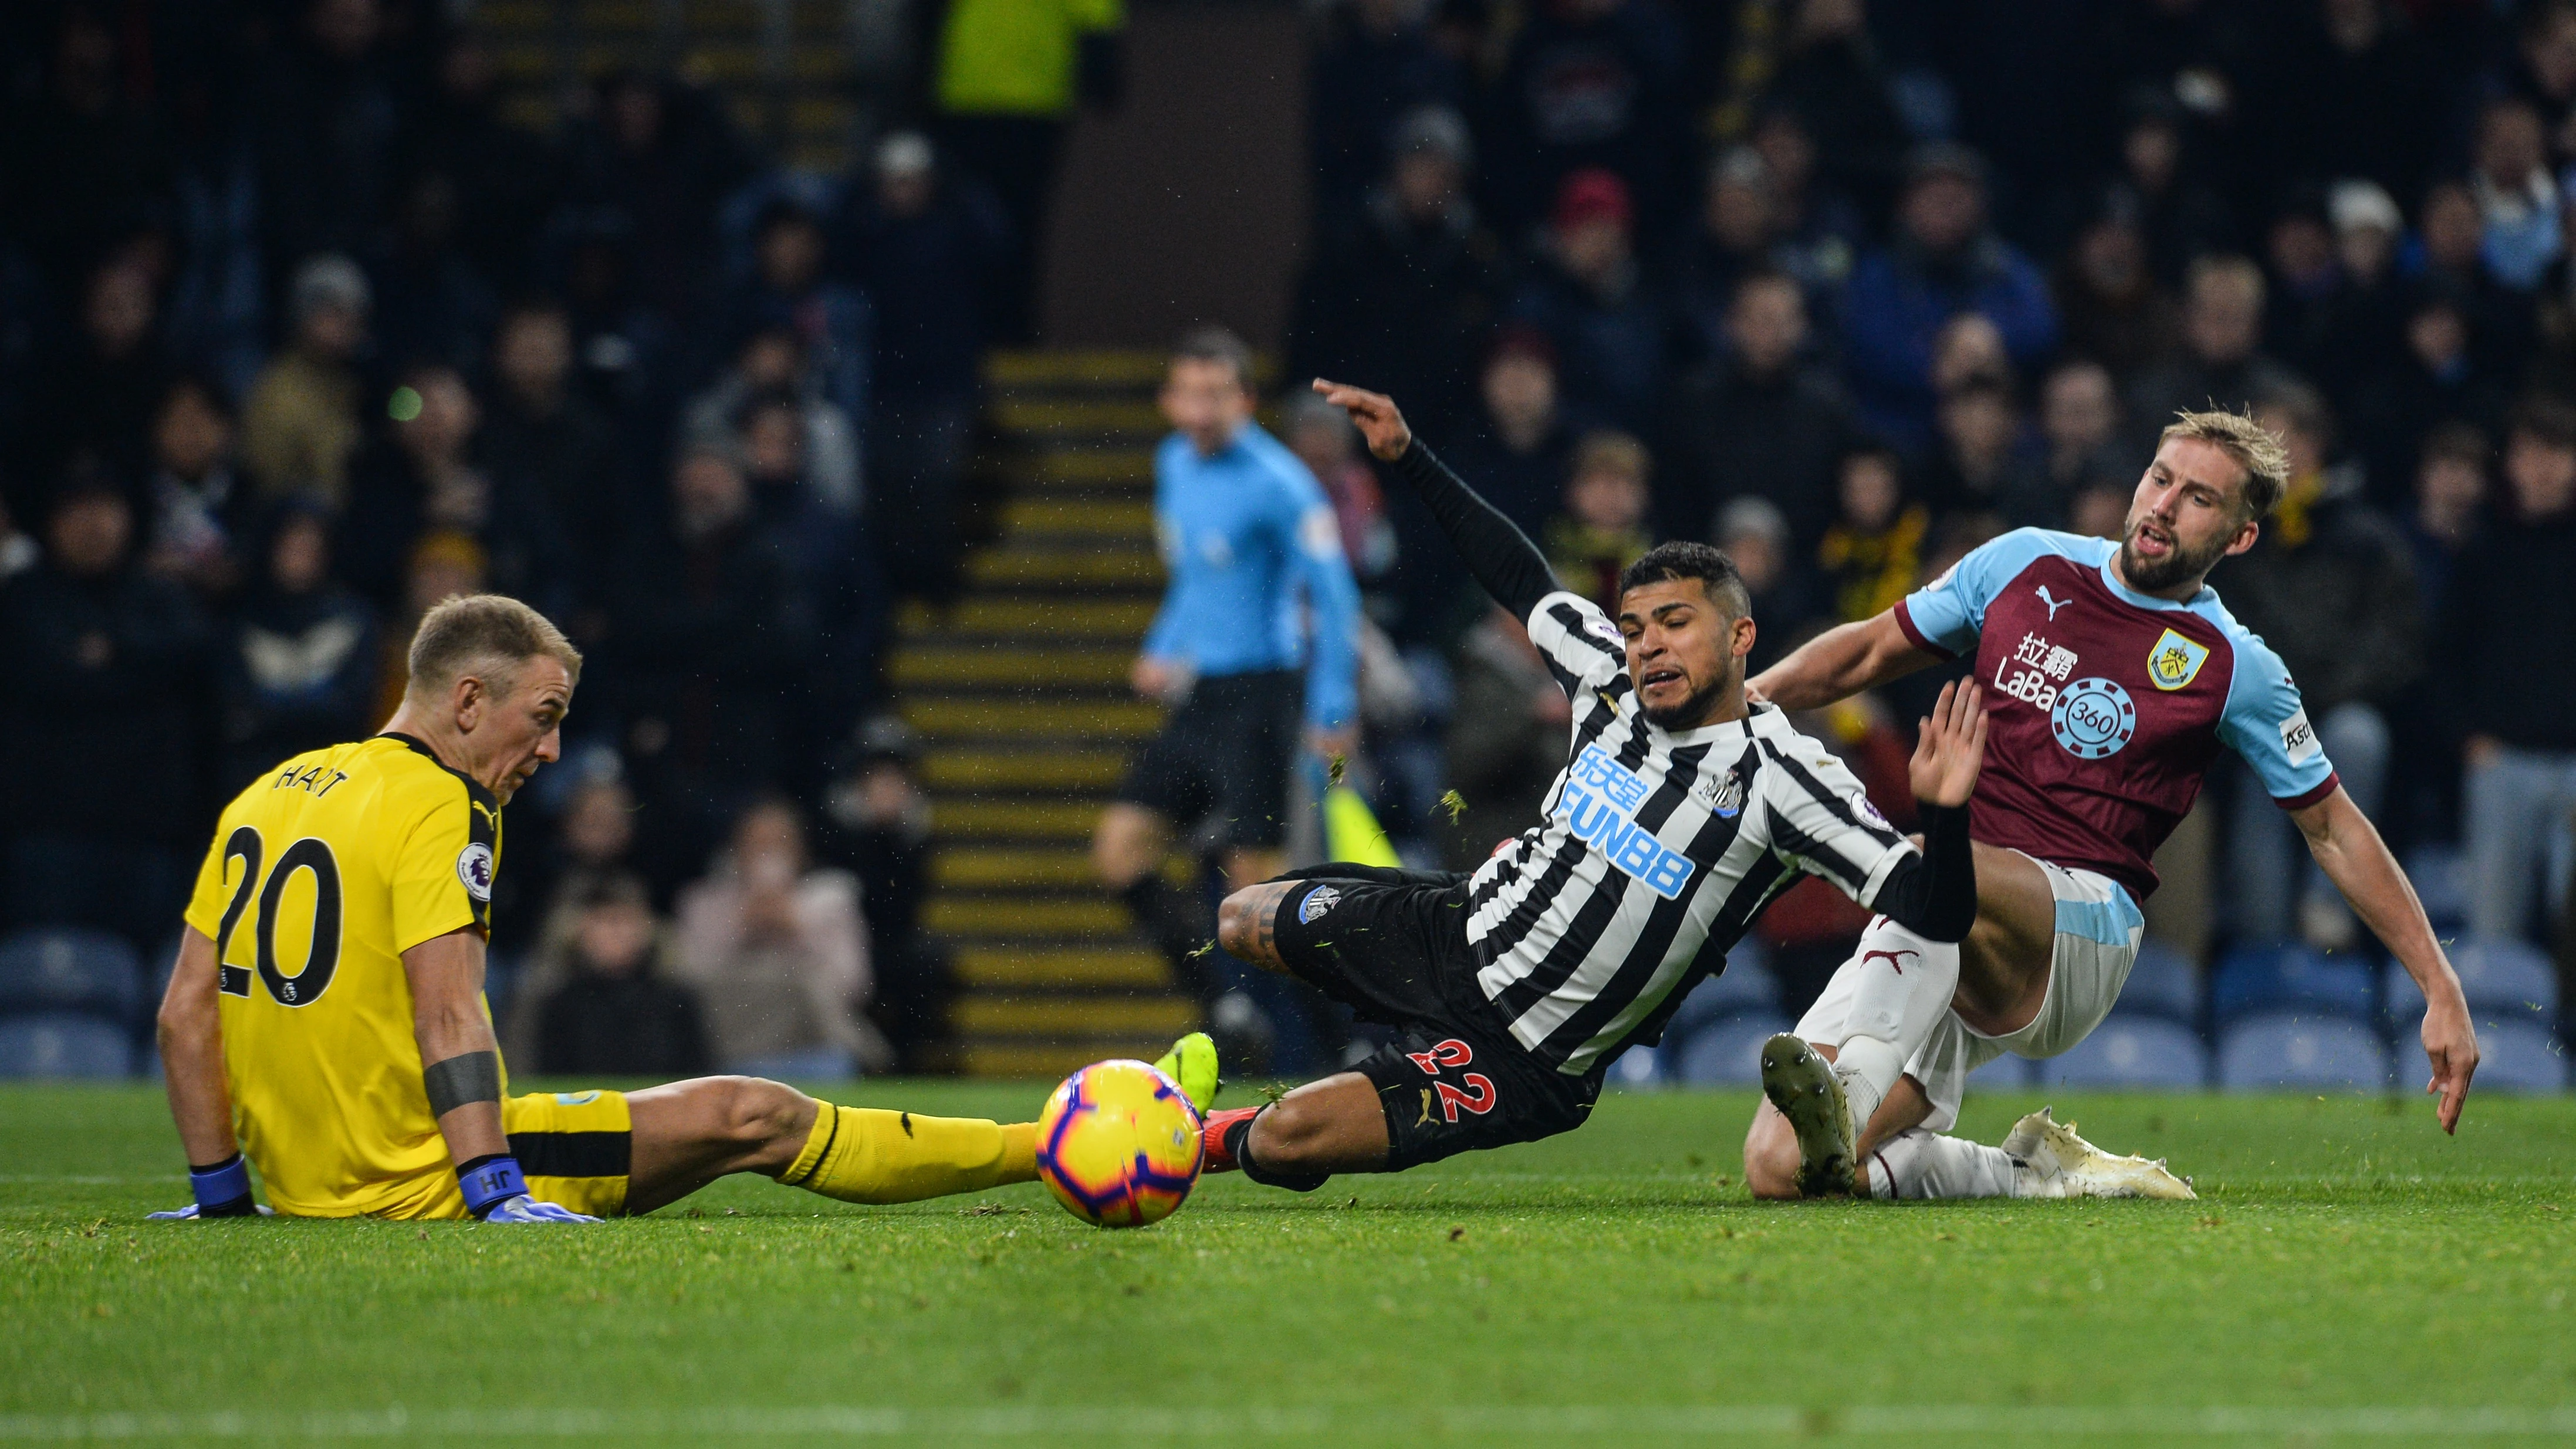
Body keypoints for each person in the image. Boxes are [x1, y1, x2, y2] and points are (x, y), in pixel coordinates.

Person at [150, 591, 1218, 1222]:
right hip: (416, 1179)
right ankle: (1056, 1142)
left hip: (297, 1186)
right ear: (468, 701)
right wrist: (490, 1190)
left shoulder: (273, 791)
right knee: (757, 1113)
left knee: (742, 1107)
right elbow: (450, 1013)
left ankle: (1056, 1137)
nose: (554, 750)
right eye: (545, 716)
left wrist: (224, 1199)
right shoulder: (446, 801)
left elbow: (184, 1014)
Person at [1181, 377, 1992, 1197]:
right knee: (1243, 918)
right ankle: (1338, 1052)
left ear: (1740, 636)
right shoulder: (1603, 680)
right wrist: (1409, 455)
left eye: (1675, 623)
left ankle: (1191, 1139)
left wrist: (1947, 812)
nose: (1647, 647)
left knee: (1283, 1140)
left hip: (1524, 1056)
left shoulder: (1784, 779)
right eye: (1636, 627)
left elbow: (1937, 911)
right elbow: (1519, 576)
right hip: (1454, 928)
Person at [1742, 408, 2480, 1203]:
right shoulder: (2022, 564)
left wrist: (2438, 985)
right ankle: (2032, 1173)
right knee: (1784, 1167)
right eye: (2159, 478)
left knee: (1918, 864)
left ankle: (1846, 1094)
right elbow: (1865, 649)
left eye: (2198, 498)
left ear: (2238, 537)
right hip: (1945, 924)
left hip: (2076, 928)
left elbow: (2332, 828)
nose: (2163, 505)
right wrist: (1740, 702)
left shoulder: (2234, 666)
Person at [1093, 330, 1362, 1028]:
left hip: (1263, 696)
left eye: (1218, 395)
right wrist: (1162, 645)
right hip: (1201, 696)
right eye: (1190, 394)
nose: (1202, 410)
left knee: (1259, 894)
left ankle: (1346, 1043)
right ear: (1168, 400)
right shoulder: (1173, 464)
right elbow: (1192, 576)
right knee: (1119, 850)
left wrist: (1333, 704)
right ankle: (1223, 1003)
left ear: (1245, 399)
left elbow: (1333, 596)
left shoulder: (1281, 484)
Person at [2444, 398, 2576, 947]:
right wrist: (2468, 739)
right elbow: (2445, 655)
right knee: (2491, 932)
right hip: (2500, 759)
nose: (2544, 466)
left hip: (2574, 763)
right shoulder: (2480, 549)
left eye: (2559, 451)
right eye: (2531, 452)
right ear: (2512, 463)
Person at [673, 797, 882, 1080]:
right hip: (729, 1052)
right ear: (736, 848)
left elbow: (856, 985)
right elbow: (687, 986)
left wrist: (797, 929)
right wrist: (741, 927)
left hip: (813, 1051)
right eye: (757, 843)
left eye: (780, 843)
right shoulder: (705, 902)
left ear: (801, 849)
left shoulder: (832, 898)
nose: (768, 854)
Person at [533, 875, 711, 1078]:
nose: (616, 932)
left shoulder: (677, 1001)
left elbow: (700, 1077)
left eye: (625, 920)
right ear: (578, 932)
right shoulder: (559, 1006)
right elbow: (551, 1085)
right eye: (603, 921)